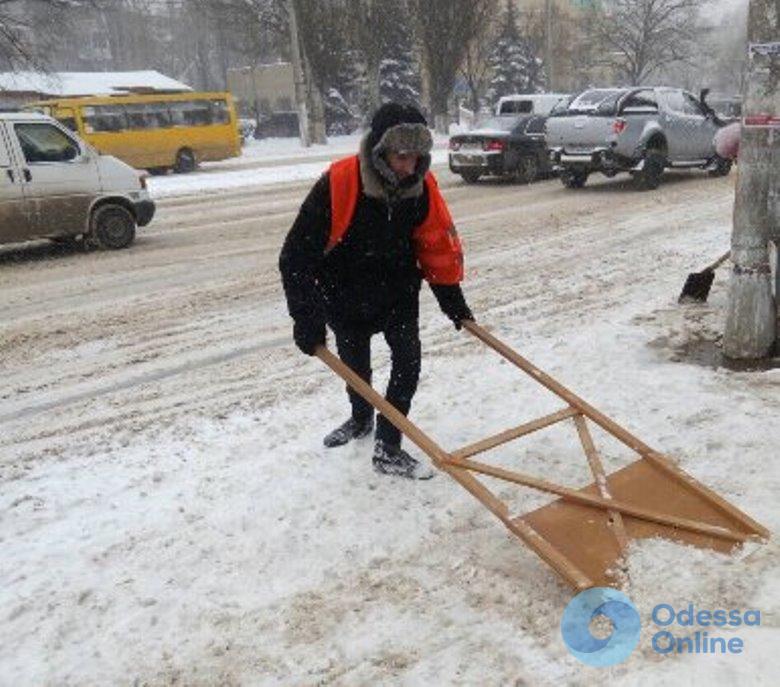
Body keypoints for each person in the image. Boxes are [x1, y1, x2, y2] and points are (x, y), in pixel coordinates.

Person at [279, 102, 473, 480]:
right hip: (344, 293)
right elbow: (294, 257)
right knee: (356, 369)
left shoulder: (422, 185)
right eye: (401, 156)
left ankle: (388, 445)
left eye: (417, 157)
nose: (409, 166)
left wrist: (453, 302)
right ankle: (359, 419)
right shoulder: (340, 183)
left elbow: (436, 245)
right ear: (380, 149)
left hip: (398, 293)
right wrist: (307, 318)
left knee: (408, 365)